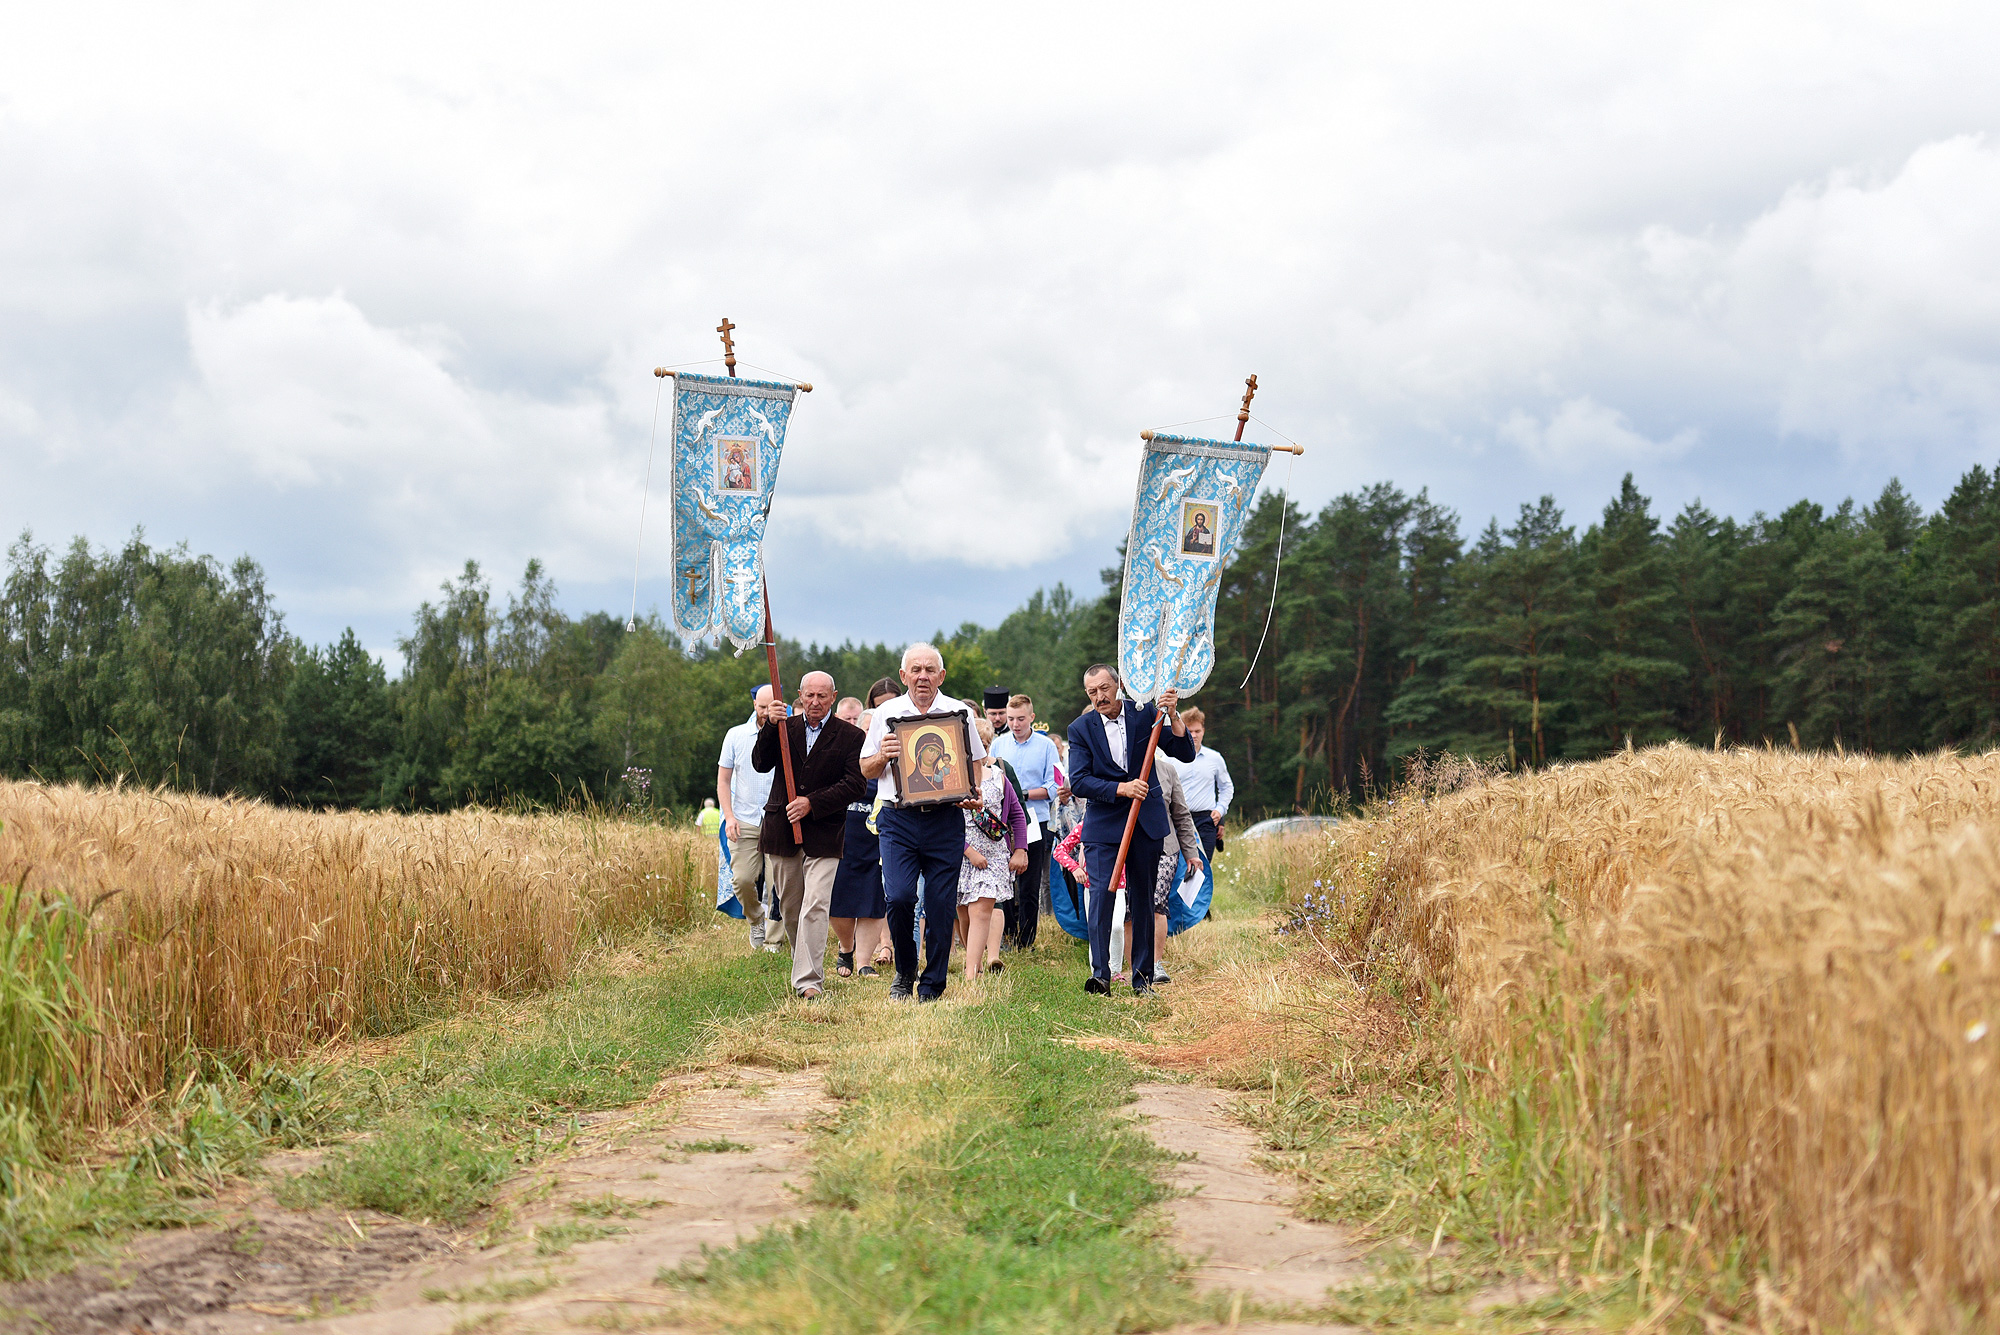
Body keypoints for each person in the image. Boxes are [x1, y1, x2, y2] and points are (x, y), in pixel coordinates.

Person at [860, 643, 988, 1002]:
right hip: (898, 818)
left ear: (941, 676)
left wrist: (972, 790)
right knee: (900, 897)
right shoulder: (887, 713)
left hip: (946, 819)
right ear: (903, 676)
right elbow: (865, 767)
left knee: (940, 903)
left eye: (930, 670)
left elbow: (975, 761)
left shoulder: (957, 712)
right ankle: (904, 971)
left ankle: (933, 984)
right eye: (915, 669)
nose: (922, 676)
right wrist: (882, 756)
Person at [1065, 664, 1195, 996]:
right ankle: (1101, 974)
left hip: (1146, 822)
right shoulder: (1080, 728)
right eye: (1092, 692)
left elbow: (1184, 752)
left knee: (1143, 900)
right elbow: (1079, 781)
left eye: (1104, 689)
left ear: (1119, 685)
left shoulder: (1145, 714)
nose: (1099, 697)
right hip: (1104, 826)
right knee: (1101, 900)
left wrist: (1174, 716)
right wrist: (1121, 788)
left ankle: (1143, 978)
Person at [752, 671, 867, 1001]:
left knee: (816, 905)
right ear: (799, 697)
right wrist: (770, 727)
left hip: (825, 833)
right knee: (790, 908)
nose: (815, 702)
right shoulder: (784, 728)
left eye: (822, 696)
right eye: (809, 696)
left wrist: (812, 803)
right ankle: (801, 958)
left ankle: (809, 981)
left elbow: (855, 785)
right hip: (782, 830)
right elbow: (760, 763)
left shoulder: (849, 735)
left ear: (833, 696)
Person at [831, 677, 900, 978]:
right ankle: (846, 948)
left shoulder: (891, 761)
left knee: (873, 902)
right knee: (841, 902)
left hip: (879, 839)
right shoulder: (841, 759)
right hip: (843, 837)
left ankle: (863, 962)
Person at [718, 685, 788, 952]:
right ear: (754, 706)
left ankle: (773, 940)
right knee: (743, 880)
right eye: (761, 708)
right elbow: (723, 781)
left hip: (777, 820)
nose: (765, 713)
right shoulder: (736, 735)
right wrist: (729, 817)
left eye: (771, 708)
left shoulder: (787, 734)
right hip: (744, 818)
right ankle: (756, 918)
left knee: (778, 884)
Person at [957, 717, 1028, 979]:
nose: (981, 749)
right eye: (975, 744)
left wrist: (1020, 849)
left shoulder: (999, 777)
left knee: (981, 909)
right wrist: (967, 851)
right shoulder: (952, 777)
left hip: (995, 851)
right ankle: (971, 958)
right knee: (964, 914)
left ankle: (971, 974)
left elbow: (1017, 815)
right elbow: (945, 822)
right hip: (960, 852)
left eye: (985, 744)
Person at [989, 693, 1059, 951]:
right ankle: (1005, 935)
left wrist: (1023, 794)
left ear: (1032, 718)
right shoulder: (999, 745)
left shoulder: (1046, 747)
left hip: (1034, 820)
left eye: (1021, 719)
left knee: (1029, 882)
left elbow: (1054, 786)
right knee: (1004, 878)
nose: (1015, 724)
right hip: (1004, 821)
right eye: (1011, 719)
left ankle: (1026, 938)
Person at [1128, 756, 1203, 984]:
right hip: (1127, 849)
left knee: (1157, 904)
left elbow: (1181, 813)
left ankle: (1155, 964)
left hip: (1165, 847)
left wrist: (1191, 852)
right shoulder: (1119, 768)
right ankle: (1136, 968)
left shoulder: (1167, 770)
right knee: (1130, 909)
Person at [1174, 707, 1234, 865]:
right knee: (1179, 867)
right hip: (1178, 819)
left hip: (1205, 820)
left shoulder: (1215, 758)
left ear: (1203, 731)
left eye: (1197, 731)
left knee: (1203, 867)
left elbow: (1226, 787)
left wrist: (1220, 811)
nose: (1194, 735)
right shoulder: (1171, 758)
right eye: (1190, 730)